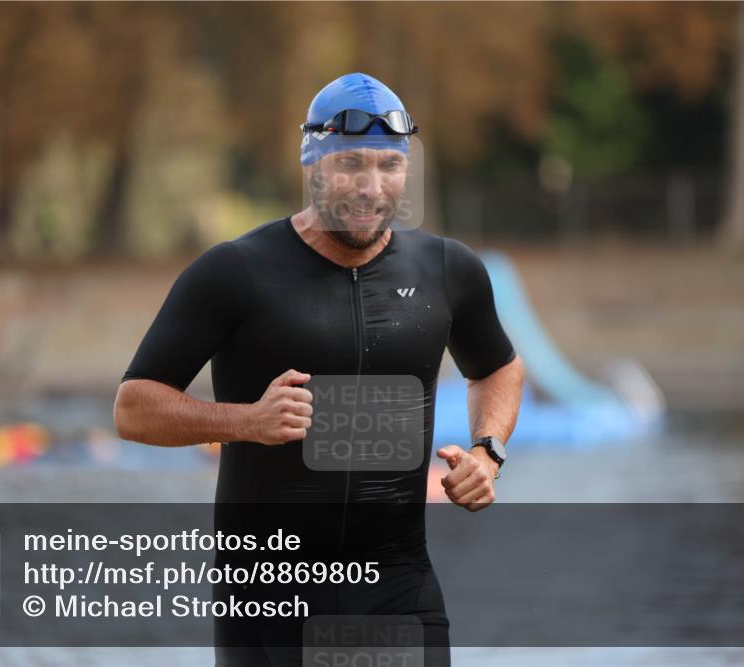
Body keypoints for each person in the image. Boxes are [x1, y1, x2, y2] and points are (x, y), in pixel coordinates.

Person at [115, 72, 525, 667]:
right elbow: (133, 407)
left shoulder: (446, 271)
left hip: (398, 589)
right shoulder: (235, 273)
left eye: (389, 165)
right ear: (312, 163)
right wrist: (245, 421)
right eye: (351, 164)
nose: (371, 186)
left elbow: (498, 367)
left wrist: (489, 451)